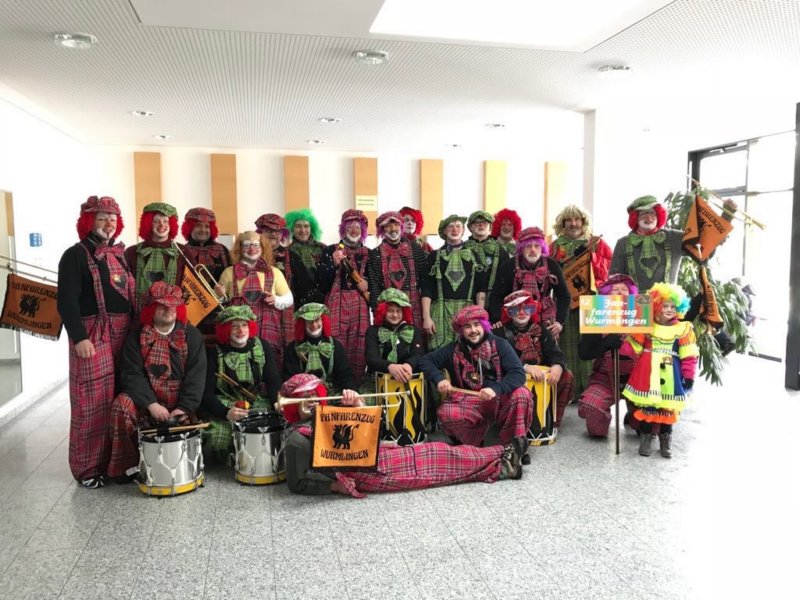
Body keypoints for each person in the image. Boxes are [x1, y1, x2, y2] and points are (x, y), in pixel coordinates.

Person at [279, 374, 525, 497]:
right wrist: (334, 486)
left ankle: (503, 457)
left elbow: (368, 437)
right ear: (293, 404)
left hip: (378, 456)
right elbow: (296, 483)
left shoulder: (328, 415)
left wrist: (358, 406)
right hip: (366, 473)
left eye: (314, 395)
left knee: (437, 450)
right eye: (303, 398)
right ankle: (502, 458)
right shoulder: (298, 439)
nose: (311, 401)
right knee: (440, 466)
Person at [57, 195, 135, 488]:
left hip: (123, 332)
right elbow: (66, 301)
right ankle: (87, 468)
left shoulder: (119, 254)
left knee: (119, 399)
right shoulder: (74, 255)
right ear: (89, 222)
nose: (108, 224)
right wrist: (79, 337)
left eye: (112, 219)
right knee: (91, 401)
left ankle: (117, 464)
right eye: (102, 219)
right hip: (92, 334)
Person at [107, 282, 206, 481]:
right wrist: (151, 404)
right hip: (146, 402)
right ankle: (128, 467)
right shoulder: (136, 337)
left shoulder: (192, 335)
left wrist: (183, 408)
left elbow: (197, 377)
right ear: (150, 309)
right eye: (162, 305)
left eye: (173, 305)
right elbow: (131, 375)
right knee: (121, 406)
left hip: (180, 405)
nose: (168, 309)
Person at [420, 305, 533, 448]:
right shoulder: (452, 349)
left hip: (499, 399)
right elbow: (425, 361)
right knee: (445, 412)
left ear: (484, 325)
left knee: (521, 394)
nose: (473, 330)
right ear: (461, 330)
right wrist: (439, 379)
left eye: (476, 325)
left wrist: (495, 389)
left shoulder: (501, 344)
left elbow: (518, 374)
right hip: (469, 402)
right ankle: (474, 446)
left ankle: (513, 445)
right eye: (467, 327)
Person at [621, 282, 699, 458]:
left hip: (671, 375)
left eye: (673, 306)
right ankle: (646, 438)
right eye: (665, 306)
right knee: (647, 406)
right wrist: (630, 336)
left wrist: (689, 376)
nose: (669, 309)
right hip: (647, 374)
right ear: (656, 306)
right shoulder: (647, 326)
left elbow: (689, 355)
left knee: (667, 407)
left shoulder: (683, 328)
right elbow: (631, 350)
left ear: (679, 308)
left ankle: (665, 439)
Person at [200, 305, 281, 463]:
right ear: (225, 329)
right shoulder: (214, 353)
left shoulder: (262, 346)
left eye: (244, 325)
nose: (241, 330)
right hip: (227, 404)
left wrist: (277, 402)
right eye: (234, 326)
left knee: (273, 428)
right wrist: (226, 412)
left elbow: (273, 381)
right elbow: (206, 394)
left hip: (257, 402)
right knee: (216, 438)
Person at [609, 195, 737, 292]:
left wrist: (727, 215)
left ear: (659, 215)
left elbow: (703, 250)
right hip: (635, 310)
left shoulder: (674, 238)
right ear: (635, 217)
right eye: (643, 213)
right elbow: (614, 280)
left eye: (652, 213)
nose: (649, 217)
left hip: (668, 309)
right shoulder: (623, 244)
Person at [550, 205, 613, 402]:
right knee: (566, 346)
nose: (574, 223)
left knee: (591, 346)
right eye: (569, 220)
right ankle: (569, 391)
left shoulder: (596, 243)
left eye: (578, 220)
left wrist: (591, 255)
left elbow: (607, 271)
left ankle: (590, 391)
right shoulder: (555, 246)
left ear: (584, 222)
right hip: (564, 302)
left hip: (591, 300)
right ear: (562, 223)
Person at [494, 290, 574, 436]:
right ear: (508, 312)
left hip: (540, 379)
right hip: (513, 380)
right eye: (516, 309)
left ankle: (550, 423)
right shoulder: (499, 332)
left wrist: (557, 366)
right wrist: (525, 367)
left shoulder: (541, 329)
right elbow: (498, 363)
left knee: (567, 375)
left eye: (527, 308)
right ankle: (512, 424)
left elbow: (555, 353)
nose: (522, 313)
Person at [576, 274, 639, 438]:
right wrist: (604, 344)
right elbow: (584, 353)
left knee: (649, 423)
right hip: (605, 379)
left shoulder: (642, 315)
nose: (620, 292)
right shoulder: (596, 315)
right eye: (615, 289)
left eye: (624, 289)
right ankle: (603, 419)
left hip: (637, 381)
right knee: (591, 407)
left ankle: (634, 415)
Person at [218, 231, 293, 367]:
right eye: (246, 245)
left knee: (270, 365)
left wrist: (276, 300)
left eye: (256, 245)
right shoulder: (229, 272)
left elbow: (289, 299)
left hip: (269, 330)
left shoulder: (275, 272)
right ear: (240, 248)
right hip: (238, 332)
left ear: (262, 248)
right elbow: (219, 302)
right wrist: (219, 294)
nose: (252, 249)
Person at [318, 209, 371, 385]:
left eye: (358, 227)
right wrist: (333, 264)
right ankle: (334, 385)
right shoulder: (329, 250)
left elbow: (377, 280)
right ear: (343, 229)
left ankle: (355, 386)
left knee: (359, 344)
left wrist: (367, 283)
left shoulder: (370, 253)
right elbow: (321, 283)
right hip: (336, 302)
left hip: (360, 304)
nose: (354, 231)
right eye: (350, 227)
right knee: (335, 342)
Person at [489, 227, 570, 339]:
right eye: (528, 246)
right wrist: (497, 318)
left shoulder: (552, 265)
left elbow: (564, 296)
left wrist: (559, 321)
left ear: (542, 248)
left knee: (548, 345)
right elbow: (496, 296)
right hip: (515, 317)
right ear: (521, 249)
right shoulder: (509, 266)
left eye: (537, 246)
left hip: (544, 317)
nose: (533, 250)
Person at [422, 215, 487, 349]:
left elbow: (481, 287)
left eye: (458, 226)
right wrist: (426, 318)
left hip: (467, 310)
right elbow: (426, 288)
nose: (455, 229)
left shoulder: (474, 256)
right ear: (444, 231)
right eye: (450, 226)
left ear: (463, 231)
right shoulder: (434, 256)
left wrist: (479, 315)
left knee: (466, 349)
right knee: (439, 351)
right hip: (439, 312)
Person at [367, 211, 427, 330]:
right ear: (382, 229)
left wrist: (427, 314)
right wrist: (377, 313)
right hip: (389, 312)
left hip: (414, 308)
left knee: (415, 339)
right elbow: (374, 287)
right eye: (388, 226)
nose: (393, 229)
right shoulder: (375, 254)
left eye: (396, 225)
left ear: (401, 226)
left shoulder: (415, 249)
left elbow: (425, 281)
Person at [283, 302, 357, 395]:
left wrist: (350, 391)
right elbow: (290, 380)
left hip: (331, 394)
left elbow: (346, 375)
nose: (314, 325)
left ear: (323, 320)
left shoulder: (336, 346)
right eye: (309, 321)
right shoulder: (292, 349)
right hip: (303, 396)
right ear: (302, 324)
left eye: (317, 320)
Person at [125, 202, 186, 308]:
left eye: (166, 221)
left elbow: (194, 286)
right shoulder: (131, 252)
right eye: (156, 221)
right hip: (138, 313)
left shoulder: (183, 252)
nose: (162, 225)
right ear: (148, 223)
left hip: (173, 314)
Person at [254, 212, 294, 350]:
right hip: (256, 308)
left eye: (277, 231)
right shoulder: (249, 254)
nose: (273, 234)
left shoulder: (292, 255)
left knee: (282, 348)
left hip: (285, 309)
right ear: (260, 233)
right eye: (268, 230)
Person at [464, 210, 509, 303]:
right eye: (477, 223)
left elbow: (505, 279)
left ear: (490, 227)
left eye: (485, 223)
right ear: (470, 227)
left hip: (493, 300)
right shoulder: (462, 249)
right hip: (467, 299)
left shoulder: (501, 250)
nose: (481, 225)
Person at [285, 208, 326, 307]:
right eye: (298, 226)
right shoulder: (287, 251)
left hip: (323, 300)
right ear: (292, 228)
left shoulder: (323, 248)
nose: (303, 230)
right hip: (297, 301)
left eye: (306, 226)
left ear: (312, 228)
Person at [180, 207, 231, 282]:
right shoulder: (182, 252)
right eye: (198, 225)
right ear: (189, 228)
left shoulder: (223, 250)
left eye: (207, 226)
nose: (203, 230)